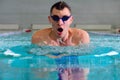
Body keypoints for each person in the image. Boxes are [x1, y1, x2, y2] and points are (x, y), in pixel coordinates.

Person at [32, 1, 90, 80]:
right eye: (55, 18)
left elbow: (85, 65)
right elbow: (36, 66)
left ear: (71, 20)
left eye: (65, 18)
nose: (60, 23)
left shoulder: (81, 37)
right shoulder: (39, 37)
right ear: (50, 19)